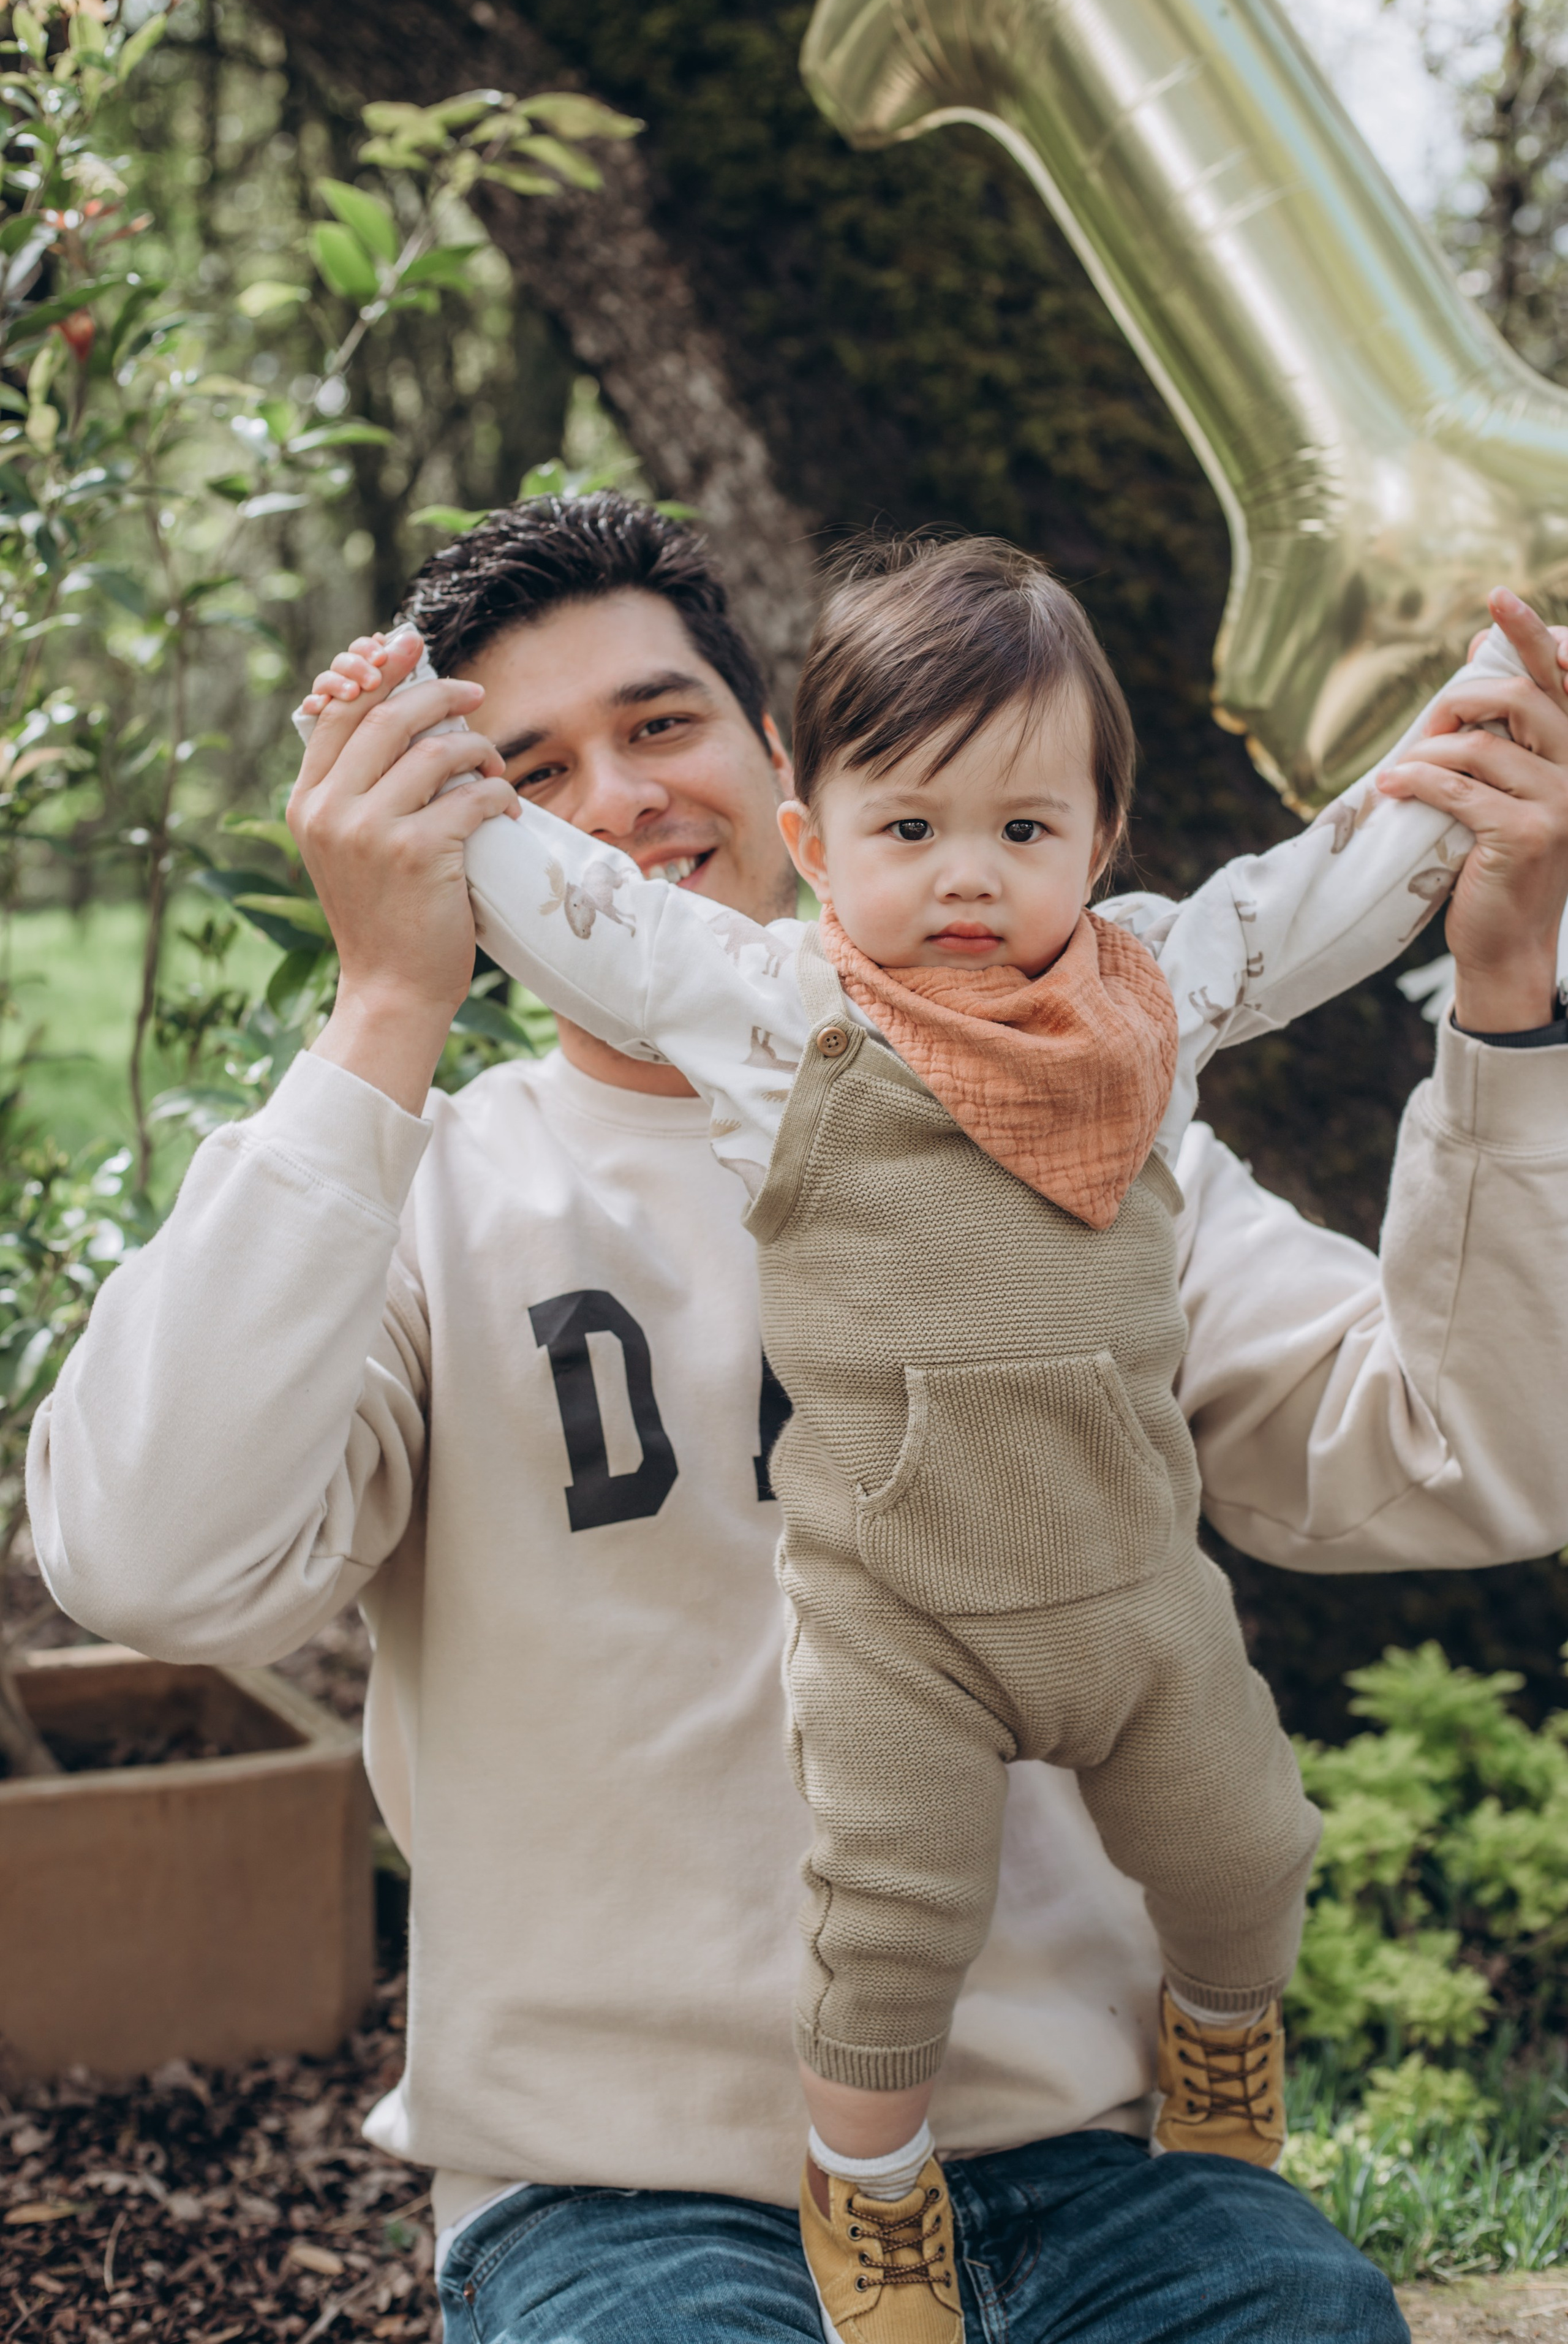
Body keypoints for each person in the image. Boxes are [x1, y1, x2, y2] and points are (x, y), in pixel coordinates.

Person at [28, 494, 1568, 2344]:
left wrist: (1504, 999)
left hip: (1098, 2166)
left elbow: (1478, 1459)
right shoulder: (422, 1192)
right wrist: (381, 1010)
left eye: (658, 723)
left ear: (784, 769)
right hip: (618, 2203)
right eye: (531, 772)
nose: (618, 800)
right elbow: (151, 1564)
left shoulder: (1087, 1129)